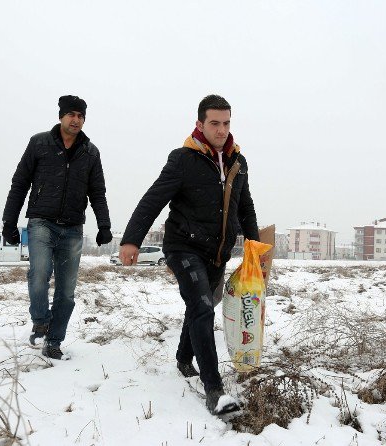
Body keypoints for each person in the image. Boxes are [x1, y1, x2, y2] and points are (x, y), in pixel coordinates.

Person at [119, 94, 259, 414]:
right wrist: (131, 240)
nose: (221, 130)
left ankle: (184, 358)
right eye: (214, 123)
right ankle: (215, 390)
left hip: (217, 252)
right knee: (201, 306)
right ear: (200, 124)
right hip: (183, 246)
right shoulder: (183, 159)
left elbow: (245, 205)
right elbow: (154, 199)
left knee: (201, 304)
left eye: (226, 123)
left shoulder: (238, 161)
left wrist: (255, 246)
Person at [2, 95, 113, 360]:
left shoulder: (91, 152)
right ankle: (40, 320)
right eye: (71, 114)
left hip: (73, 228)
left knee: (66, 290)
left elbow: (98, 192)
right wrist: (9, 220)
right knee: (39, 273)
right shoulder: (39, 143)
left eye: (81, 116)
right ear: (61, 116)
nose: (76, 120)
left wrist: (104, 225)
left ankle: (54, 340)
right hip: (42, 221)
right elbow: (20, 183)